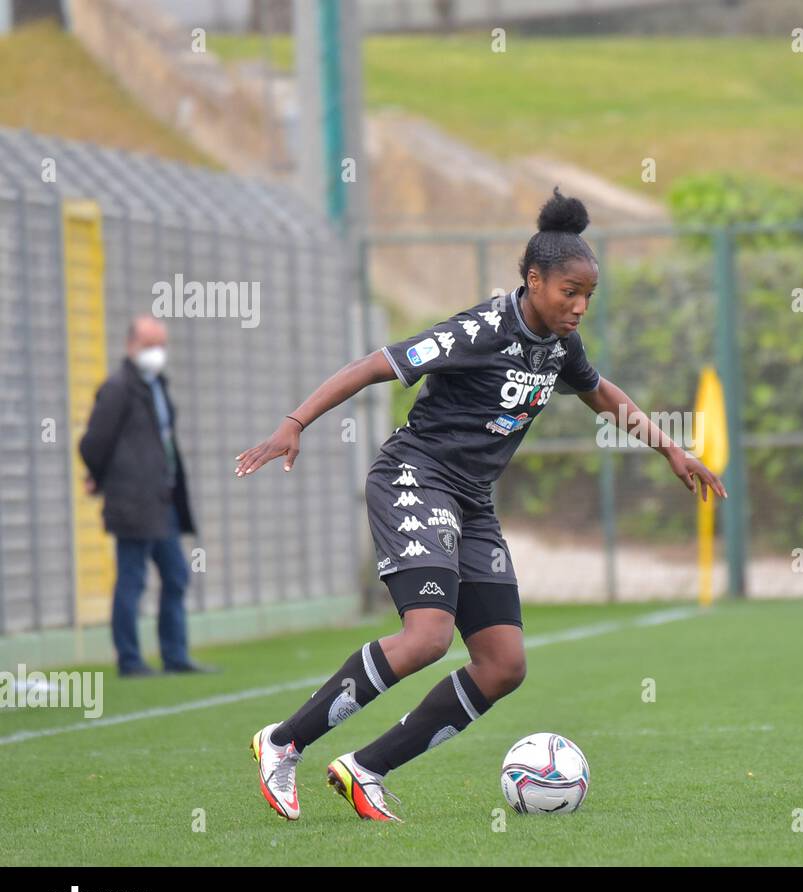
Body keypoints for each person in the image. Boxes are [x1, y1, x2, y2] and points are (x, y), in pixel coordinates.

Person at [238, 189, 726, 822]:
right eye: (568, 293)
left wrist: (670, 450)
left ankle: (365, 769)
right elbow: (374, 365)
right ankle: (283, 743)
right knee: (428, 637)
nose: (579, 308)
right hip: (414, 477)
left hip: (471, 500)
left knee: (503, 665)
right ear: (534, 280)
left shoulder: (558, 344)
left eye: (587, 297)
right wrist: (294, 421)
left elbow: (602, 394)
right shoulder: (480, 330)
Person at [79, 316, 212, 677]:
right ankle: (129, 659)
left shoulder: (156, 385)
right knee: (132, 578)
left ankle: (175, 655)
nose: (156, 352)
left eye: (161, 344)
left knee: (176, 575)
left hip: (162, 500)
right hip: (132, 502)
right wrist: (101, 477)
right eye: (149, 344)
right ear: (131, 345)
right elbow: (93, 443)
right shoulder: (119, 387)